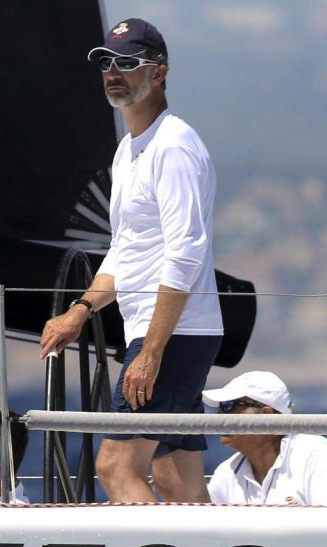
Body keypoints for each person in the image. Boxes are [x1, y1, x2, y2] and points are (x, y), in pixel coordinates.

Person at [39, 18, 222, 503]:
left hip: (173, 334)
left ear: (158, 73)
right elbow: (125, 250)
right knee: (174, 473)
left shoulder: (174, 146)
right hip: (168, 332)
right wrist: (80, 311)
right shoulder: (129, 150)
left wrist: (152, 352)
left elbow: (185, 249)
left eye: (127, 62)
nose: (113, 72)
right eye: (106, 62)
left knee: (117, 465)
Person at [203, 371, 327, 506]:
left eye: (229, 406)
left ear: (266, 415)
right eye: (221, 407)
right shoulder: (226, 473)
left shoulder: (313, 452)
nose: (219, 416)